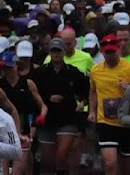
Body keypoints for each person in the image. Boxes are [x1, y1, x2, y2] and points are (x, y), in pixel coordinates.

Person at [31, 36, 90, 175]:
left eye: (59, 51)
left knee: (62, 156)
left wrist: (82, 103)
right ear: (49, 52)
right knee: (48, 161)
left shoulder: (74, 72)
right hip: (47, 120)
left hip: (68, 118)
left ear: (64, 52)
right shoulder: (39, 73)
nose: (56, 54)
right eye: (53, 51)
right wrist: (46, 98)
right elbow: (32, 93)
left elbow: (87, 90)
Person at [90, 33, 130, 175]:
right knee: (110, 163)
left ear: (118, 49)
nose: (110, 55)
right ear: (102, 52)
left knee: (126, 165)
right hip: (105, 121)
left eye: (113, 52)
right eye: (107, 52)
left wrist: (129, 88)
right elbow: (93, 91)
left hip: (125, 121)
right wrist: (92, 111)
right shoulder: (96, 70)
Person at [0, 50, 44, 175]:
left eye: (9, 67)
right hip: (3, 130)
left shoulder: (27, 83)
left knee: (19, 170)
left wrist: (40, 118)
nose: (7, 70)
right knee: (4, 169)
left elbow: (42, 105)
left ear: (15, 65)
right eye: (4, 68)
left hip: (24, 128)